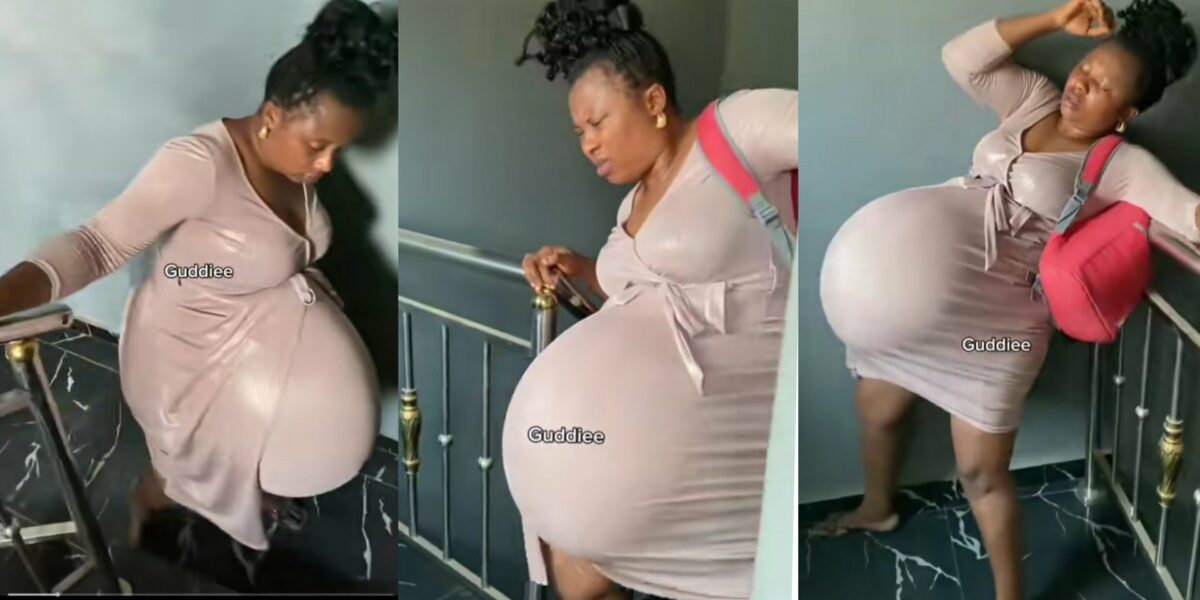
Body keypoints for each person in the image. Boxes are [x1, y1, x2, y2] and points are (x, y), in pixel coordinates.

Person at [817, 0, 1200, 598]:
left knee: (981, 472)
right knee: (877, 408)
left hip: (994, 334)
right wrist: (1055, 20)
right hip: (923, 314)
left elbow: (1190, 215)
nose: (1081, 84)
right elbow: (961, 59)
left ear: (1126, 113)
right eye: (1086, 68)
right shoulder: (1034, 99)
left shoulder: (1123, 164)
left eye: (1102, 87)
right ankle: (877, 507)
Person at [0, 0, 397, 551]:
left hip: (252, 348)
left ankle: (250, 481)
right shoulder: (199, 164)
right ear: (273, 115)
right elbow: (95, 244)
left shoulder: (293, 164)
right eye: (317, 145)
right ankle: (147, 509)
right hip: (191, 359)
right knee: (181, 476)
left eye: (338, 149)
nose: (327, 164)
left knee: (237, 466)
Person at [501, 1, 797, 599]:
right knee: (578, 567)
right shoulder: (631, 203)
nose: (588, 144)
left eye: (596, 123)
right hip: (642, 450)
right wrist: (580, 269)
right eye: (580, 133)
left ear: (654, 101)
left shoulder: (735, 129)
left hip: (733, 432)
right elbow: (645, 292)